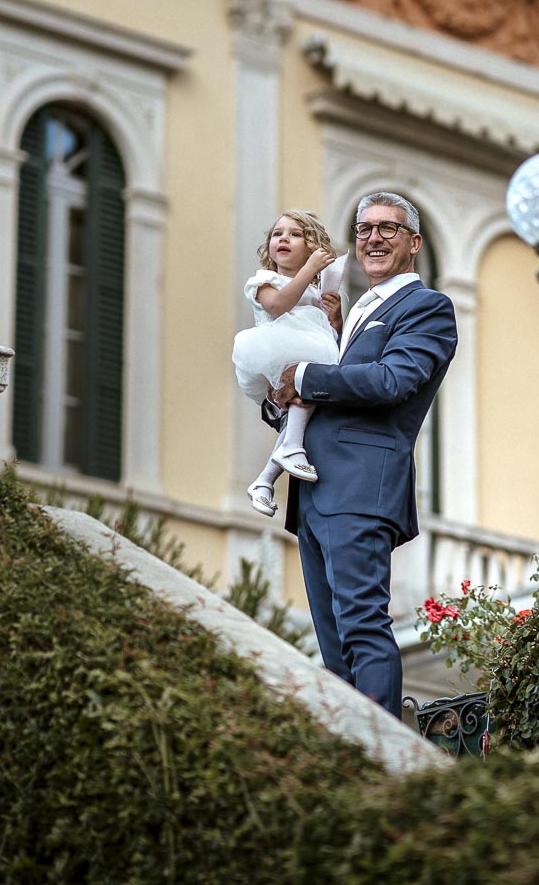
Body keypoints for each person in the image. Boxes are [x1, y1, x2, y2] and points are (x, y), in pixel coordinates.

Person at [267, 191, 457, 718]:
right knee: (332, 645)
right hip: (313, 492)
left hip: (361, 486)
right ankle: (350, 748)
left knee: (363, 627)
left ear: (414, 243)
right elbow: (328, 392)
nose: (373, 238)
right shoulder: (353, 312)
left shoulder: (425, 307)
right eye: (364, 228)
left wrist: (305, 377)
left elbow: (393, 380)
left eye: (388, 229)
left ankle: (385, 754)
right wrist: (281, 393)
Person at [232, 210, 344, 517]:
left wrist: (334, 316)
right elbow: (278, 306)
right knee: (307, 379)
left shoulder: (314, 291)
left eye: (295, 234)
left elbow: (331, 336)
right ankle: (289, 450)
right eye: (277, 234)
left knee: (306, 395)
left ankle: (265, 480)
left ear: (311, 245)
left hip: (310, 352)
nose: (284, 238)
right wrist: (310, 270)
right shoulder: (265, 280)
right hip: (278, 349)